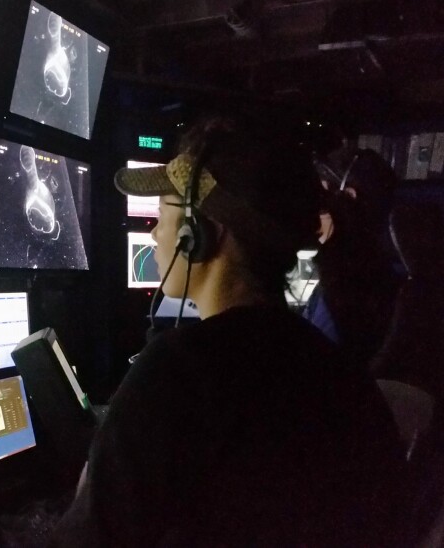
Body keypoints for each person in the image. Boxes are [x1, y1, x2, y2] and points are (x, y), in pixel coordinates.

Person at [49, 116, 404, 547]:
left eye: (162, 213)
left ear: (196, 233)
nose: (155, 232)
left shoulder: (180, 373)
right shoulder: (339, 369)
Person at [305, 148, 401, 368]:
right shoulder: (379, 269)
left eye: (323, 193)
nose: (313, 206)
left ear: (348, 197)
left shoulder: (344, 288)